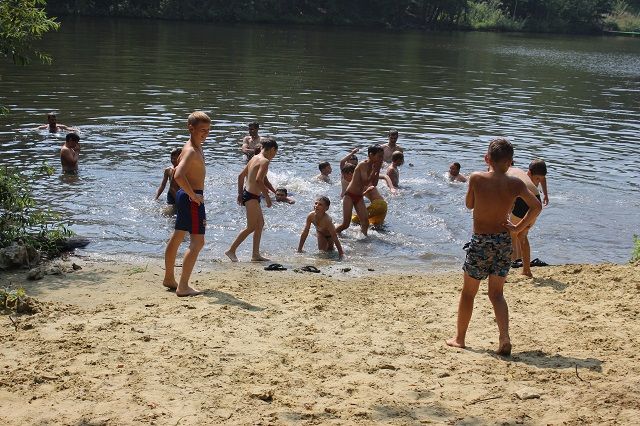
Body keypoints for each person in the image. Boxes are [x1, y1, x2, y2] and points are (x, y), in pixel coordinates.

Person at [446, 138, 541, 356]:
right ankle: (504, 338)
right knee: (497, 294)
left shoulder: (477, 178)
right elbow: (536, 206)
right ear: (511, 162)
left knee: (469, 293)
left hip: (481, 241)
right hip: (503, 241)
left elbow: (469, 204)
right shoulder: (516, 183)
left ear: (487, 158)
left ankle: (460, 338)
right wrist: (517, 228)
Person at [162, 111, 211, 297]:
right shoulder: (191, 149)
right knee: (198, 242)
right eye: (201, 130)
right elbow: (178, 175)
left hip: (186, 196)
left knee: (177, 237)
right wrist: (194, 196)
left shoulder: (194, 147)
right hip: (192, 197)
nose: (205, 134)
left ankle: (169, 278)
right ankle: (183, 286)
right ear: (191, 128)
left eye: (208, 130)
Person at [226, 138, 278, 262]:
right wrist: (267, 198)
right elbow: (259, 180)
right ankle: (231, 250)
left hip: (247, 194)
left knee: (260, 224)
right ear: (272, 149)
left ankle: (255, 254)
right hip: (251, 197)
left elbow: (241, 176)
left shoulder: (254, 158)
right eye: (275, 153)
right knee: (251, 227)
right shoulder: (264, 161)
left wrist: (239, 194)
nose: (274, 156)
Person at [507, 159, 549, 277]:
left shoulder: (506, 173)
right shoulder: (518, 172)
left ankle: (504, 274)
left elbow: (510, 196)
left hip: (525, 202)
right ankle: (526, 270)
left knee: (510, 236)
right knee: (522, 235)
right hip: (536, 200)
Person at [336, 145, 384, 236]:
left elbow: (374, 183)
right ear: (371, 155)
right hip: (349, 195)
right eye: (379, 156)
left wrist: (377, 170)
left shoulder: (374, 166)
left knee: (365, 223)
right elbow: (366, 182)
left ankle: (363, 244)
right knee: (345, 224)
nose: (381, 158)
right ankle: (332, 234)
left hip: (359, 197)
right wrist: (374, 170)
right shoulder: (363, 165)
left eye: (382, 156)